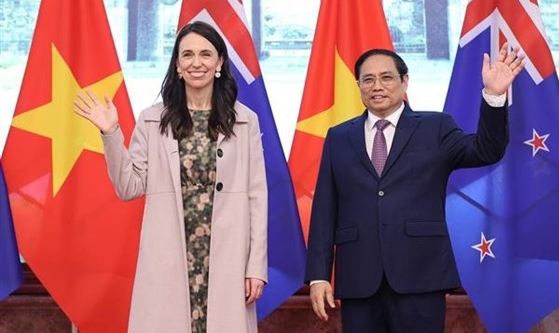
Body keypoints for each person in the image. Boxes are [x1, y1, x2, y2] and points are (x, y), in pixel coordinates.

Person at [305, 43, 525, 333]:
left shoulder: (436, 127)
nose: (377, 86)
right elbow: (324, 210)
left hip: (421, 275)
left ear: (404, 81)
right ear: (358, 85)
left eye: (387, 77)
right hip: (359, 278)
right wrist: (319, 276)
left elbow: (486, 151)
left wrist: (494, 96)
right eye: (368, 79)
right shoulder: (338, 137)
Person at [73, 21, 268, 333]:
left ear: (219, 63)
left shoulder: (244, 121)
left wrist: (256, 266)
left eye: (206, 54)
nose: (196, 62)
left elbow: (257, 197)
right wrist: (110, 133)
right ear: (177, 65)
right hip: (168, 257)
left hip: (228, 257)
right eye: (187, 55)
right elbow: (128, 187)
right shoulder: (152, 119)